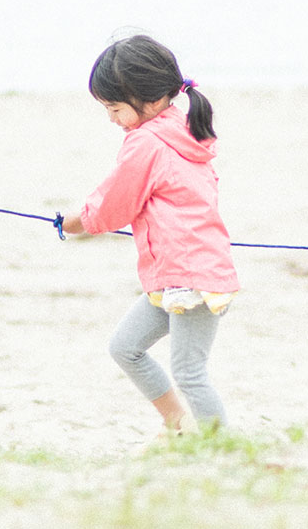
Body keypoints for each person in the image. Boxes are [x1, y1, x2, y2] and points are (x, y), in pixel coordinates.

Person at [60, 35, 237, 435]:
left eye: (114, 108)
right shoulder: (180, 127)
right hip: (173, 273)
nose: (111, 118)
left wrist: (74, 223)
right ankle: (176, 421)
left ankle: (218, 445)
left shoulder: (147, 141)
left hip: (191, 277)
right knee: (125, 347)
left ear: (150, 100)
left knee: (190, 372)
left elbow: (114, 204)